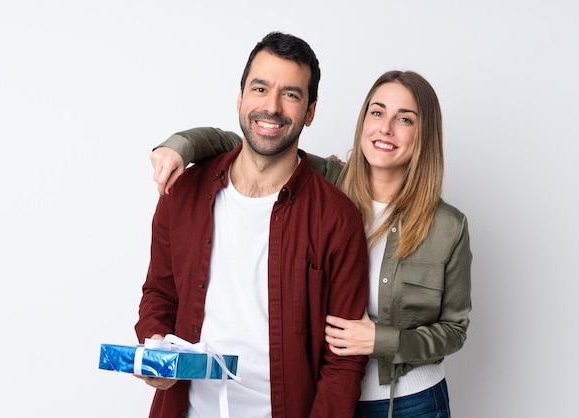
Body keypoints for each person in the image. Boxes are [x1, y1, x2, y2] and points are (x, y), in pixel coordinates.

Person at [149, 70, 472, 418]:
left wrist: (381, 339)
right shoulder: (326, 181)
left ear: (424, 134)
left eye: (404, 119)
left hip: (410, 402)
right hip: (327, 396)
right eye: (377, 113)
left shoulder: (446, 226)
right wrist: (178, 146)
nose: (386, 128)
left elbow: (454, 330)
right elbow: (251, 141)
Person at [135, 31, 370, 418]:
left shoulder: (337, 218)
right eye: (260, 88)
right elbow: (159, 293)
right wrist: (155, 349)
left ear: (310, 112)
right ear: (241, 97)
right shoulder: (183, 193)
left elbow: (343, 363)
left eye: (291, 94)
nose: (272, 106)